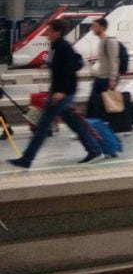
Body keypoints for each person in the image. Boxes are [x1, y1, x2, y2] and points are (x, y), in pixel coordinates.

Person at [8, 20, 103, 168]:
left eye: (49, 30)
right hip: (58, 91)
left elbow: (69, 72)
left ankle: (27, 159)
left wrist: (62, 92)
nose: (46, 33)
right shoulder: (55, 46)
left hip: (61, 93)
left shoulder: (63, 48)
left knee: (43, 126)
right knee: (74, 123)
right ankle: (95, 150)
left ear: (57, 32)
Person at [87, 17, 120, 119]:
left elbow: (114, 62)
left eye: (94, 26)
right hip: (100, 78)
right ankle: (90, 126)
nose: (92, 28)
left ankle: (126, 123)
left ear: (102, 27)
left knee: (110, 104)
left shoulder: (110, 42)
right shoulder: (101, 42)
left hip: (107, 79)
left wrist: (113, 79)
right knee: (93, 105)